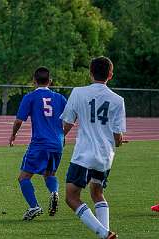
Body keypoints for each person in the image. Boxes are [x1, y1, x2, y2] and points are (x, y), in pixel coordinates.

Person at [60, 56, 126, 239]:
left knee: (71, 197)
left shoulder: (78, 93)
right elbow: (118, 137)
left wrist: (61, 138)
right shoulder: (118, 100)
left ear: (90, 73)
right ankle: (105, 235)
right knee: (97, 192)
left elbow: (67, 123)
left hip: (83, 154)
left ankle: (104, 233)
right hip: (105, 156)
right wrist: (120, 141)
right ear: (110, 75)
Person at [9, 67, 67, 220]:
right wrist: (62, 135)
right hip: (57, 144)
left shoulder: (30, 97)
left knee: (23, 178)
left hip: (40, 143)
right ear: (50, 81)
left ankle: (34, 206)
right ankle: (54, 193)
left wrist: (13, 135)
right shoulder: (60, 98)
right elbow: (71, 120)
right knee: (49, 174)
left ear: (34, 81)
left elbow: (19, 120)